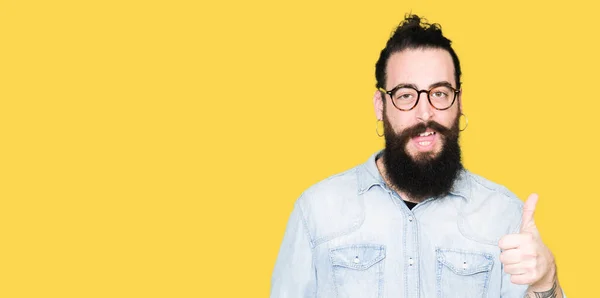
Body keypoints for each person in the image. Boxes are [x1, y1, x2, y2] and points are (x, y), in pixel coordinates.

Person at [270, 14, 565, 298]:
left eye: (439, 93)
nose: (425, 113)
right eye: (406, 94)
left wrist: (545, 279)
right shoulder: (317, 212)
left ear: (458, 102)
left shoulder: (503, 216)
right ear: (380, 105)